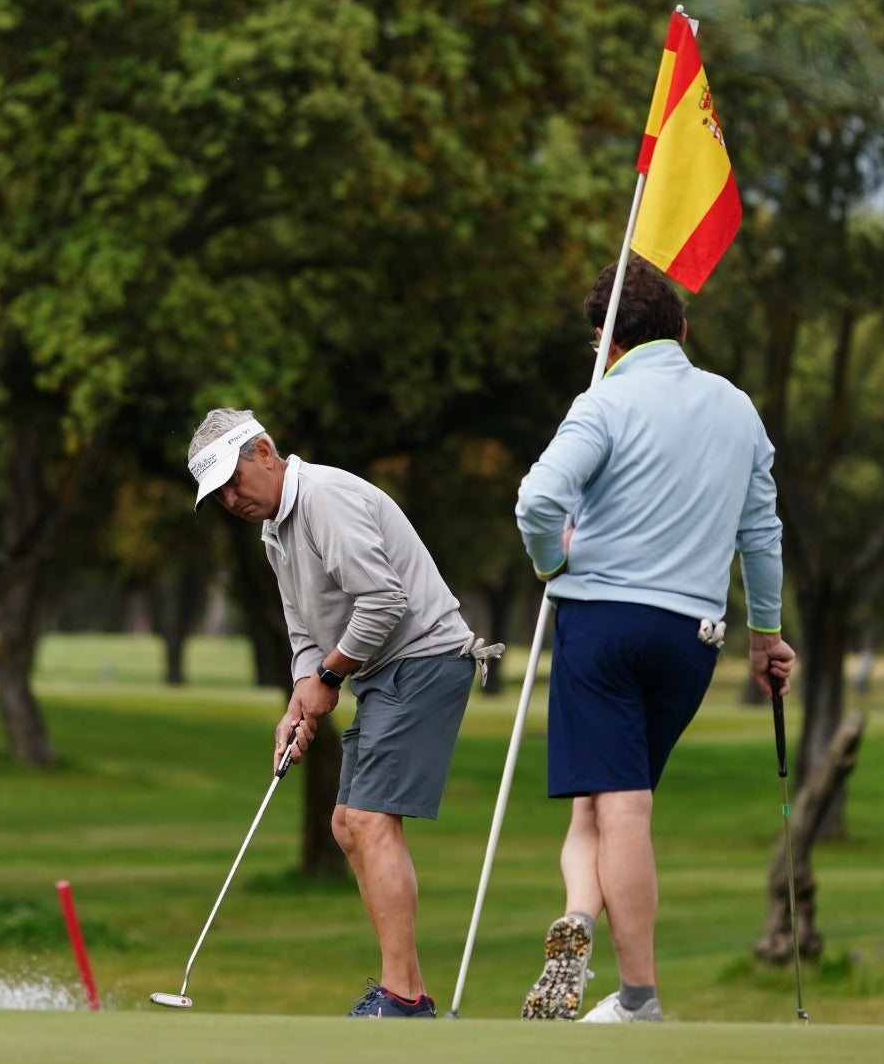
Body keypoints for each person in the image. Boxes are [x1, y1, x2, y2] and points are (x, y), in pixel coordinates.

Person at [513, 256, 796, 1023]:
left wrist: (553, 562)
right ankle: (578, 912)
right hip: (690, 640)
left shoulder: (602, 400)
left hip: (601, 623)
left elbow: (538, 500)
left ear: (605, 343)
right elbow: (760, 534)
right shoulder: (738, 409)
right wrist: (765, 635)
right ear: (682, 328)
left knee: (619, 806)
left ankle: (637, 996)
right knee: (601, 806)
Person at [187, 408, 500, 1019]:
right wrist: (300, 696)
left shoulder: (324, 497)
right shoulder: (274, 529)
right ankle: (408, 991)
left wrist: (330, 677)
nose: (230, 499)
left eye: (233, 480)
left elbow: (384, 601)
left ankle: (401, 996)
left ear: (267, 453)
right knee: (345, 825)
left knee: (369, 818)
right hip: (385, 670)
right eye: (217, 492)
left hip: (425, 657)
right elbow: (302, 627)